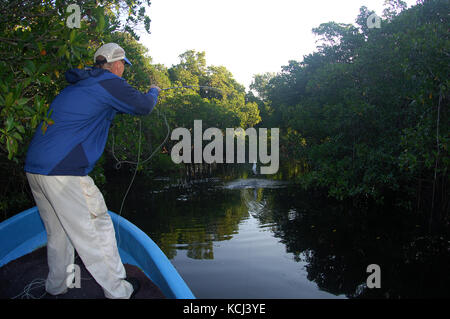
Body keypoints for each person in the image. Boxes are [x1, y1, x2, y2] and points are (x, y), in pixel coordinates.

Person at [24, 43, 160, 299]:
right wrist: (153, 91)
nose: (123, 71)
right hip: (63, 171)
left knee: (58, 233)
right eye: (123, 67)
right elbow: (144, 106)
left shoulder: (83, 84)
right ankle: (120, 291)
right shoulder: (110, 82)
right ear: (118, 64)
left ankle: (57, 286)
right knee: (97, 230)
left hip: (35, 168)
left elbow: (107, 108)